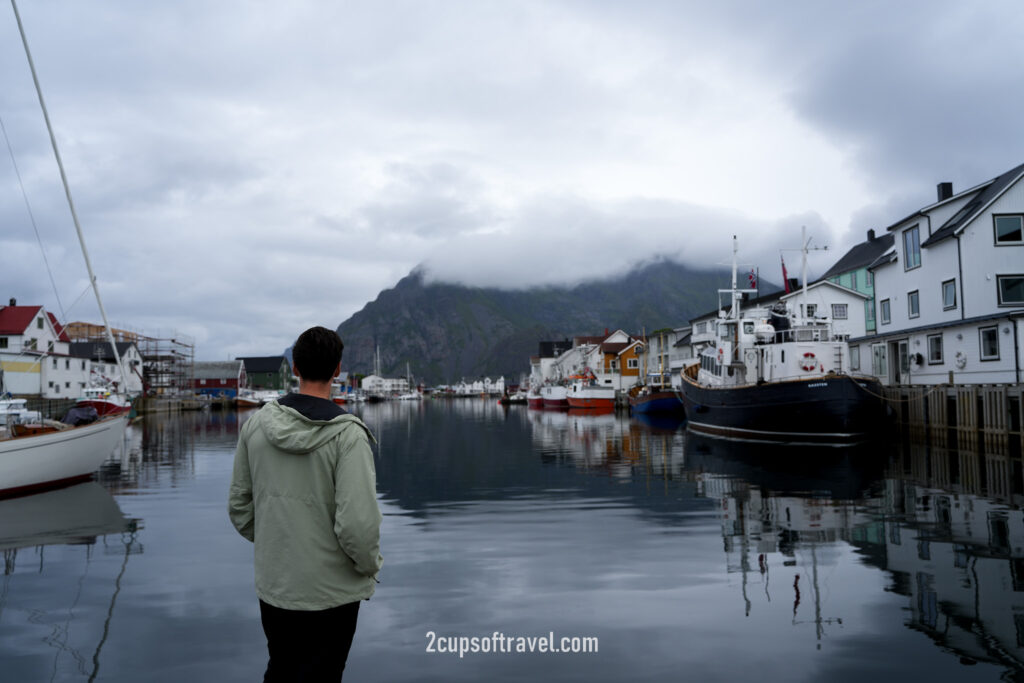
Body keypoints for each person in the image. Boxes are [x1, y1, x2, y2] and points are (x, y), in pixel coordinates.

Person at [229, 326, 382, 682]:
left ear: (295, 369)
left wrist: (279, 540)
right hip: (333, 594)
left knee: (280, 670)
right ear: (338, 370)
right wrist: (370, 566)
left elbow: (239, 506)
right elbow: (358, 527)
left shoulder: (255, 427)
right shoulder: (348, 435)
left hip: (277, 586)